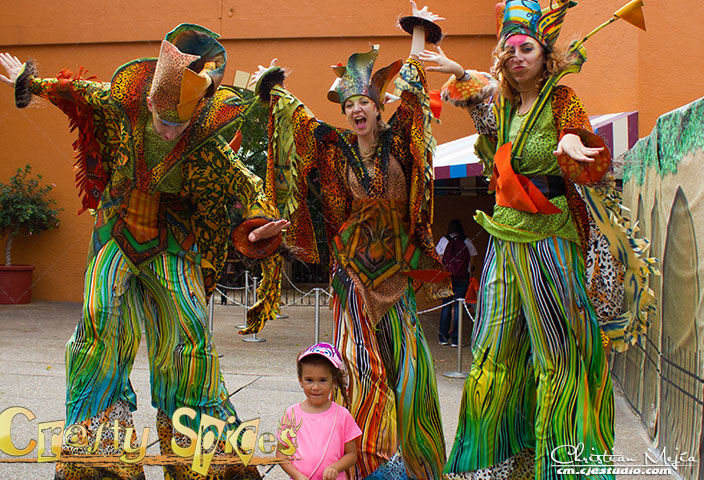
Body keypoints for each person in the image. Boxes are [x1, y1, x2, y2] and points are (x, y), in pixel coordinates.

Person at [0, 24, 288, 480]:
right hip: (116, 229)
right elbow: (76, 92)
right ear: (150, 102)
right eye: (166, 121)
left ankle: (202, 450)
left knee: (189, 328)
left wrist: (258, 224)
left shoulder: (204, 141)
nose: (172, 132)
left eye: (182, 124)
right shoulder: (122, 105)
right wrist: (29, 82)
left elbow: (244, 182)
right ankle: (98, 451)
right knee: (100, 320)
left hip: (172, 238)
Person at [422, 1, 619, 478]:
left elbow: (584, 152)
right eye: (508, 49)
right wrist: (458, 71)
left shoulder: (561, 97)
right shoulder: (506, 105)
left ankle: (565, 468)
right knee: (494, 356)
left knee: (562, 358)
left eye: (526, 47)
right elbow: (484, 108)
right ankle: (494, 465)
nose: (516, 56)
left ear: (544, 54)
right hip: (505, 240)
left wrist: (571, 144)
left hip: (551, 240)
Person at [251, 3, 448, 478]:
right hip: (352, 276)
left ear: (379, 108)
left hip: (396, 273)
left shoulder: (400, 140)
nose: (356, 109)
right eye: (348, 105)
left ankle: (419, 467)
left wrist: (419, 35)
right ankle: (366, 466)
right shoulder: (336, 151)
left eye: (364, 102)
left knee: (412, 377)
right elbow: (298, 122)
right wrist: (271, 88)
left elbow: (415, 90)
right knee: (360, 373)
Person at [276, 343, 362, 480]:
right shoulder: (291, 414)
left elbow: (352, 455)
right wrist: (297, 476)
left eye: (322, 380)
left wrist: (336, 467)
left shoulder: (342, 415)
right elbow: (281, 455)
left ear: (334, 382)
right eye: (309, 380)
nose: (315, 387)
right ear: (300, 381)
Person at [436, 219, 474, 347]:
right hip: (462, 277)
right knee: (459, 306)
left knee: (446, 305)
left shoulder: (444, 240)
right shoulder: (466, 241)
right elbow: (472, 258)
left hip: (447, 277)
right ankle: (455, 339)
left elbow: (438, 258)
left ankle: (443, 337)